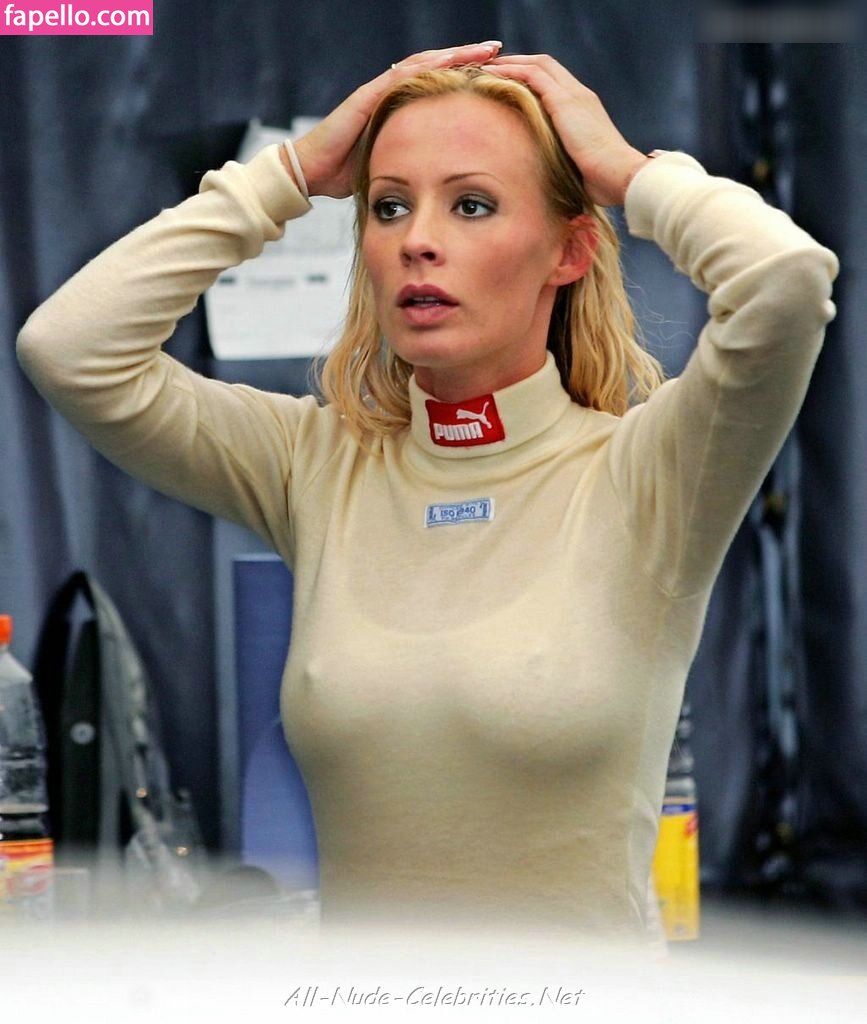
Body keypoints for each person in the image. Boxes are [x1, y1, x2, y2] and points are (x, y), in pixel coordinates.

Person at [17, 42, 838, 947]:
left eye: (471, 204)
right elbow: (71, 350)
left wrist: (626, 173)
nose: (416, 239)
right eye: (389, 205)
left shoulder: (650, 474)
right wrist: (287, 176)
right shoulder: (313, 465)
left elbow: (784, 280)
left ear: (568, 250)